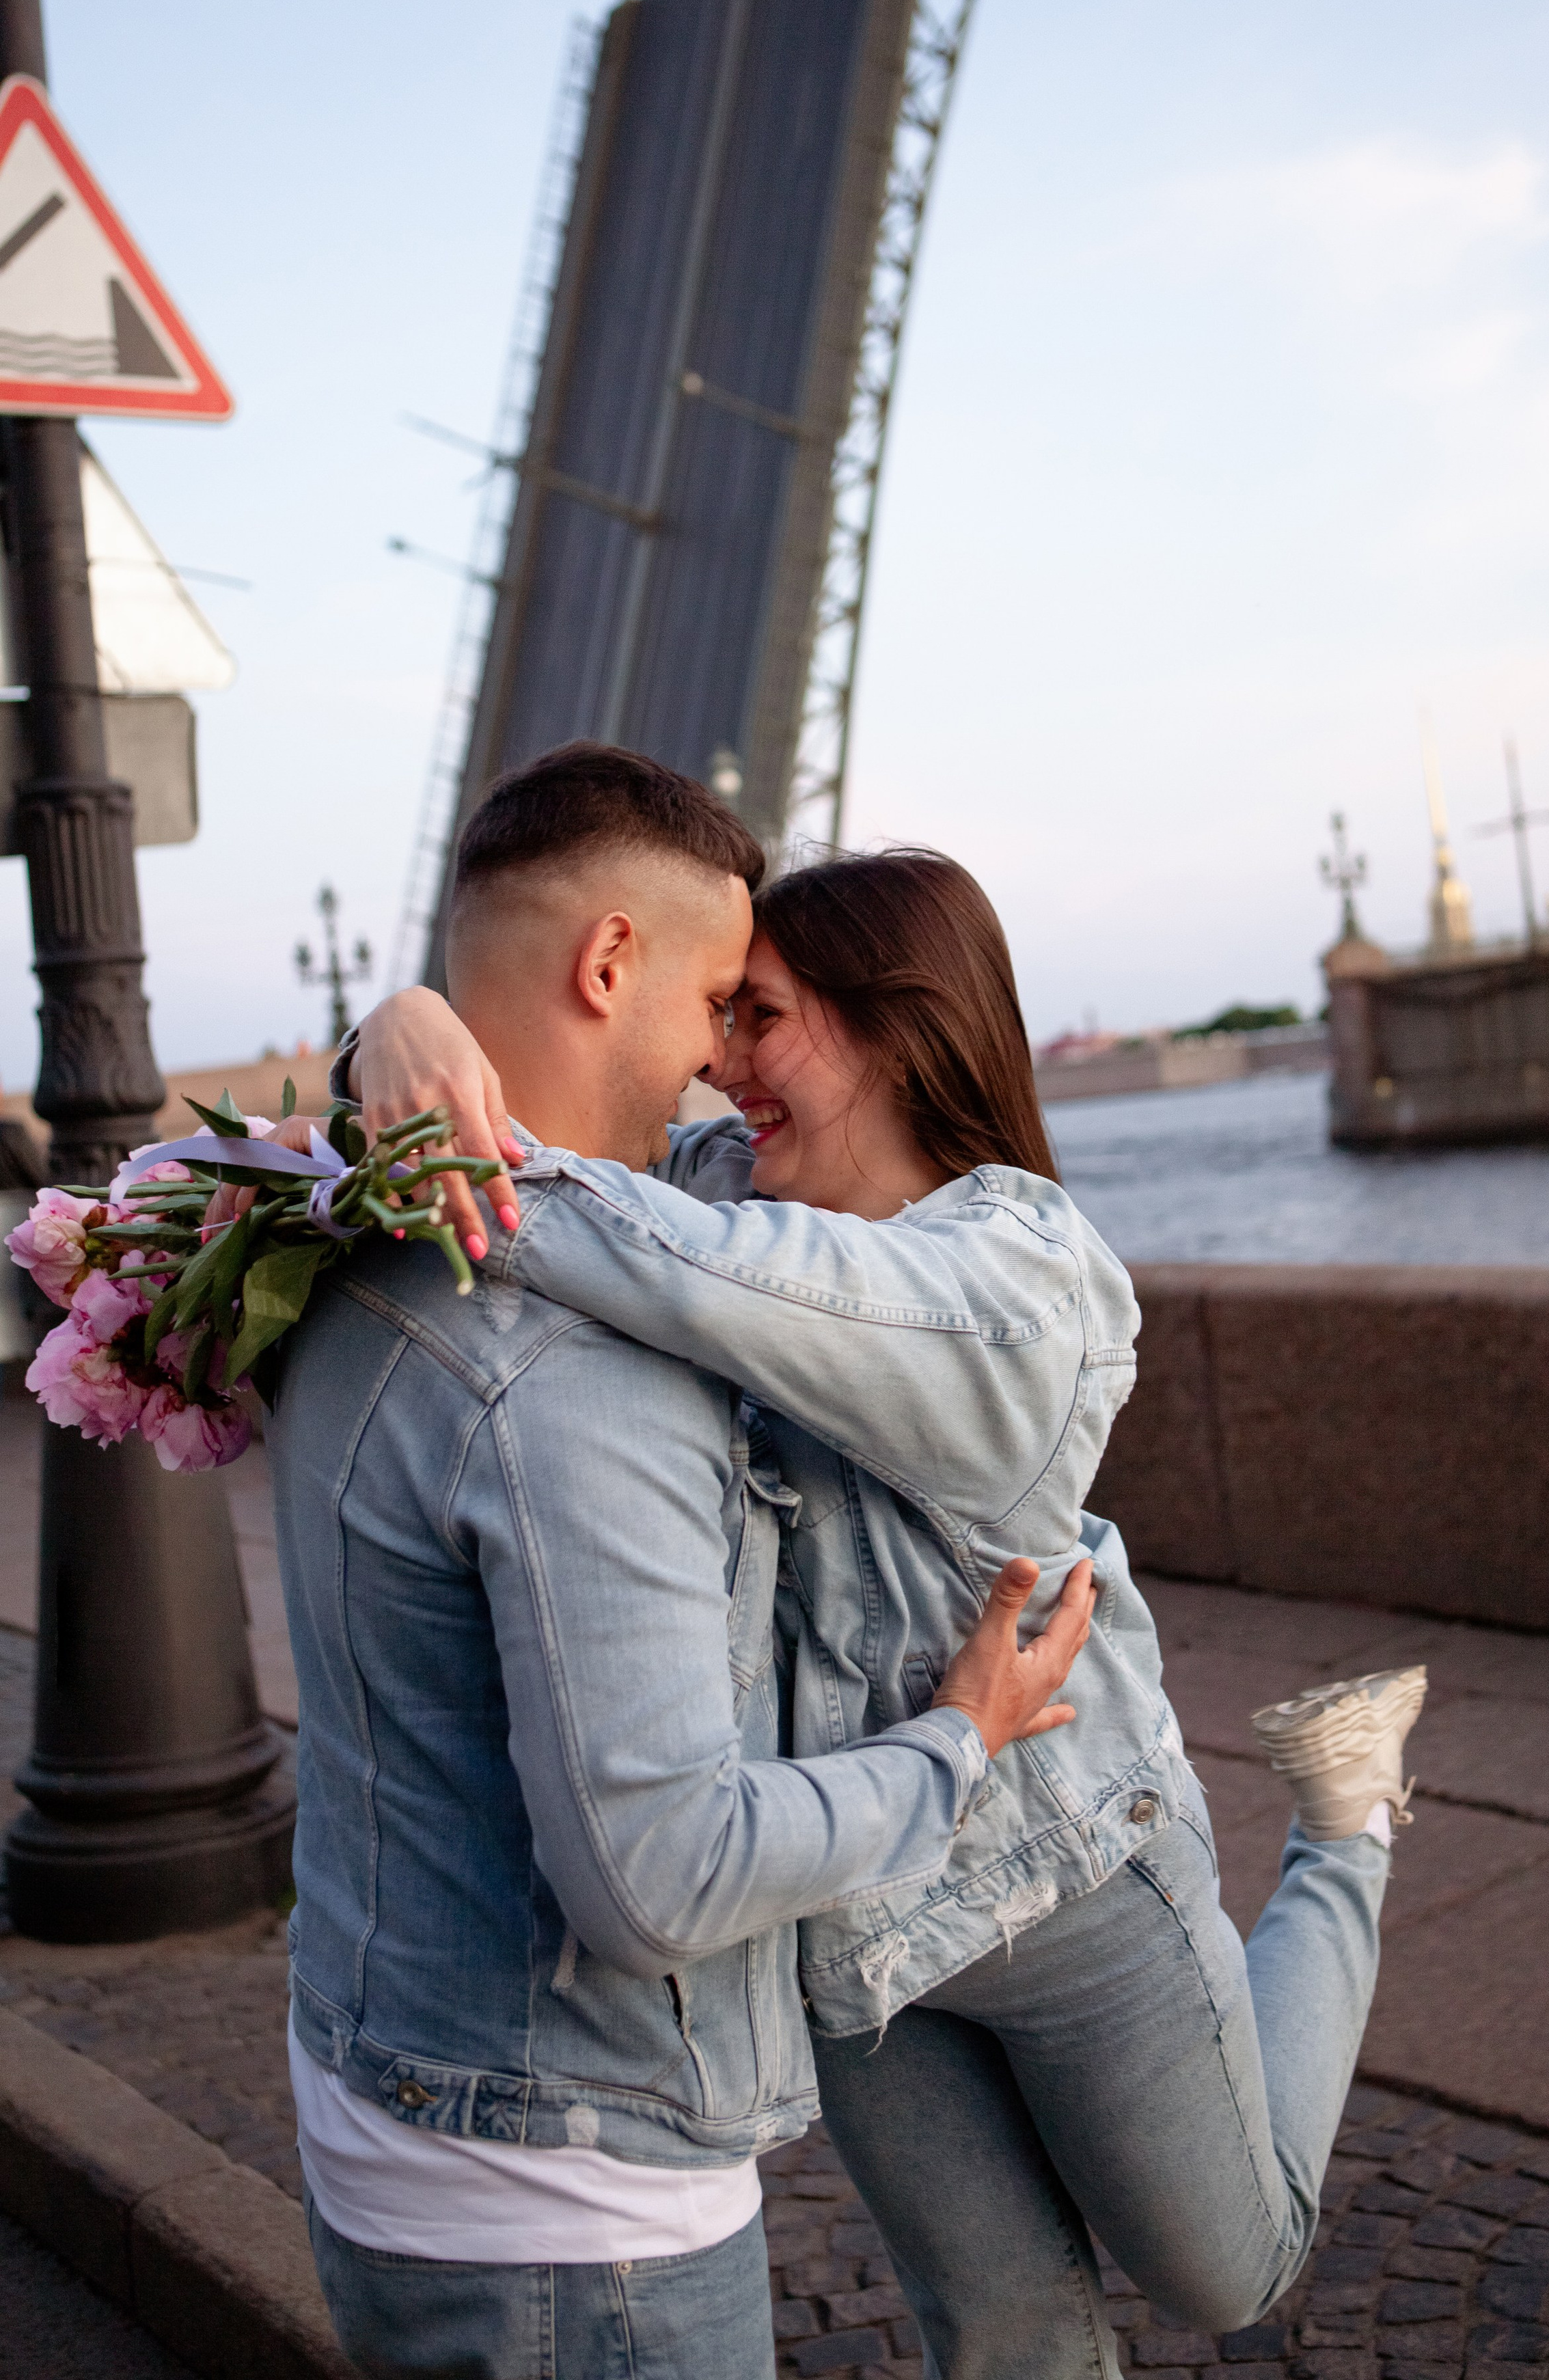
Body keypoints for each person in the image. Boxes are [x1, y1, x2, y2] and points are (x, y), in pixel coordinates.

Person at [344, 769, 1428, 2380]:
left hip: (1055, 1871)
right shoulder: (726, 1192)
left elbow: (638, 1249)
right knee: (1002, 2335)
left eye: (758, 1015)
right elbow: (590, 1159)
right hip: (842, 1894)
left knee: (1229, 2269)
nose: (716, 1057)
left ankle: (1342, 1824)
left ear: (891, 1027)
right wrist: (402, 1027)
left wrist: (445, 1110)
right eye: (720, 1012)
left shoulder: (1021, 1271)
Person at [260, 747, 1099, 2380]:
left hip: (380, 2106)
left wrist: (397, 1019)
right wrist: (957, 1739)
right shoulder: (582, 1382)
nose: (725, 1061)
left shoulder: (341, 1245)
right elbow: (663, 1879)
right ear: (606, 966)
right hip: (577, 2214)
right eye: (719, 996)